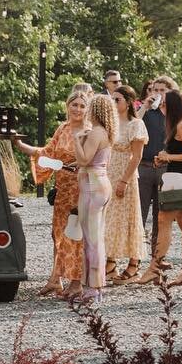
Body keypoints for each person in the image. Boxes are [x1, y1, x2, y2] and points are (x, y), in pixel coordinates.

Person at [12, 92, 87, 298]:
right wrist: (20, 145)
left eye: (82, 106)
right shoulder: (62, 129)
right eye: (74, 105)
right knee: (58, 234)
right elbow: (47, 153)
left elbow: (93, 159)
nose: (78, 109)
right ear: (68, 106)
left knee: (76, 233)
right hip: (62, 187)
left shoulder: (88, 132)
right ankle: (56, 279)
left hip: (81, 186)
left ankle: (76, 282)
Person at [138, 88, 182, 288]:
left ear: (173, 106)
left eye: (164, 103)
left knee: (163, 220)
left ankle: (154, 268)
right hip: (178, 175)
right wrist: (164, 156)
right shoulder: (179, 124)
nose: (161, 106)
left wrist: (168, 157)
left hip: (178, 178)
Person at [69, 91, 116, 304]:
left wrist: (76, 139)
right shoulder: (105, 132)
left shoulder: (96, 132)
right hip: (101, 183)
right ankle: (96, 286)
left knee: (92, 240)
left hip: (91, 186)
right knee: (96, 237)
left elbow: (84, 160)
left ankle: (93, 288)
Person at [104, 85, 148, 283]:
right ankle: (110, 261)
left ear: (129, 102)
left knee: (129, 218)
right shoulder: (111, 123)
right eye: (112, 100)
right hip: (109, 173)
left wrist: (124, 180)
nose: (114, 103)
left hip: (126, 174)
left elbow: (137, 156)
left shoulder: (135, 124)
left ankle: (134, 263)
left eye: (117, 100)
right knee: (110, 218)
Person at [137, 76, 173, 235]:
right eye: (155, 90)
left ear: (170, 92)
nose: (158, 93)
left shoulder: (175, 113)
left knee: (162, 215)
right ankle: (135, 257)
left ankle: (157, 257)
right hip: (144, 166)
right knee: (139, 213)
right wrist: (145, 106)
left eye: (162, 90)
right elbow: (132, 125)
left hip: (166, 168)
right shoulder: (147, 111)